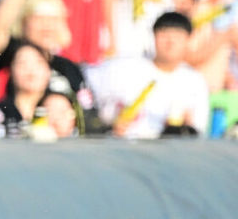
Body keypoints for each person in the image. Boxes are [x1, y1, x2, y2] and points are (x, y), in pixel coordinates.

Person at [87, 11, 210, 139]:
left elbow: (197, 130)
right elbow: (86, 89)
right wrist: (109, 125)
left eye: (178, 36)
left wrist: (184, 128)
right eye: (164, 34)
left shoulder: (194, 82)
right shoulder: (124, 68)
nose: (170, 42)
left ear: (189, 40)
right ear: (154, 36)